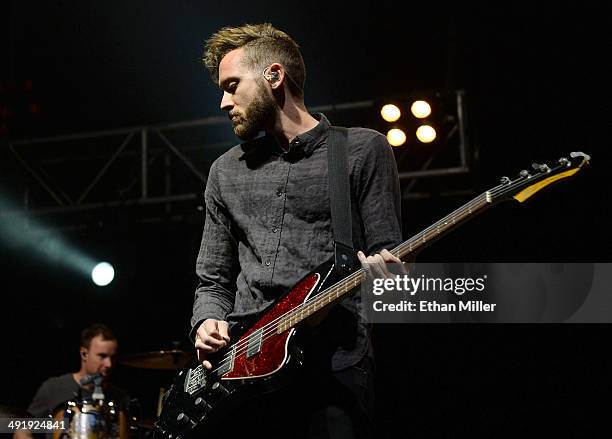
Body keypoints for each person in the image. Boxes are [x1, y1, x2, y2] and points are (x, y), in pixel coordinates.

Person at [191, 23, 403, 439]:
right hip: (244, 370)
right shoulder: (224, 172)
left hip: (332, 367)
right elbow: (212, 278)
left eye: (233, 86)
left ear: (273, 76)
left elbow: (392, 262)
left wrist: (390, 280)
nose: (223, 101)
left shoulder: (363, 149)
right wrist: (208, 320)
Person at [14, 323, 129, 439]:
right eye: (102, 356)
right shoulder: (54, 388)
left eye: (112, 357)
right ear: (84, 354)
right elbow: (22, 430)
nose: (109, 364)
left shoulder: (120, 397)